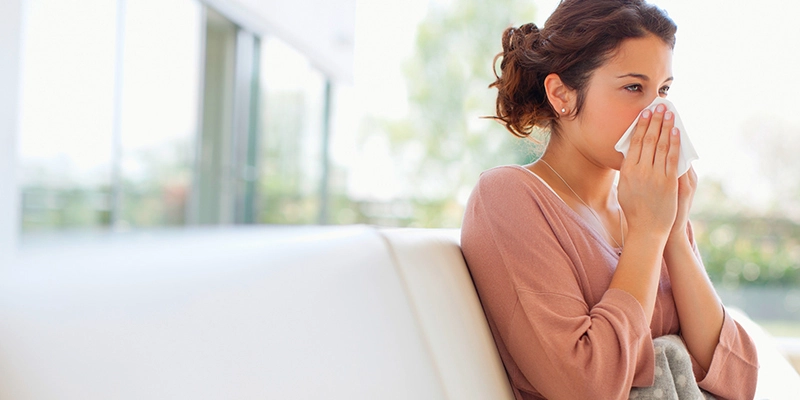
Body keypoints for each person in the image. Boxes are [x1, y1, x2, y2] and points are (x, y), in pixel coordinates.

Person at [459, 0, 759, 399]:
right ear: (562, 94)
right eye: (634, 87)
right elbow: (586, 386)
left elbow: (738, 380)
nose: (659, 112)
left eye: (664, 90)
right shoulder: (509, 197)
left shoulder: (650, 207)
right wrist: (647, 234)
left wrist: (672, 235)